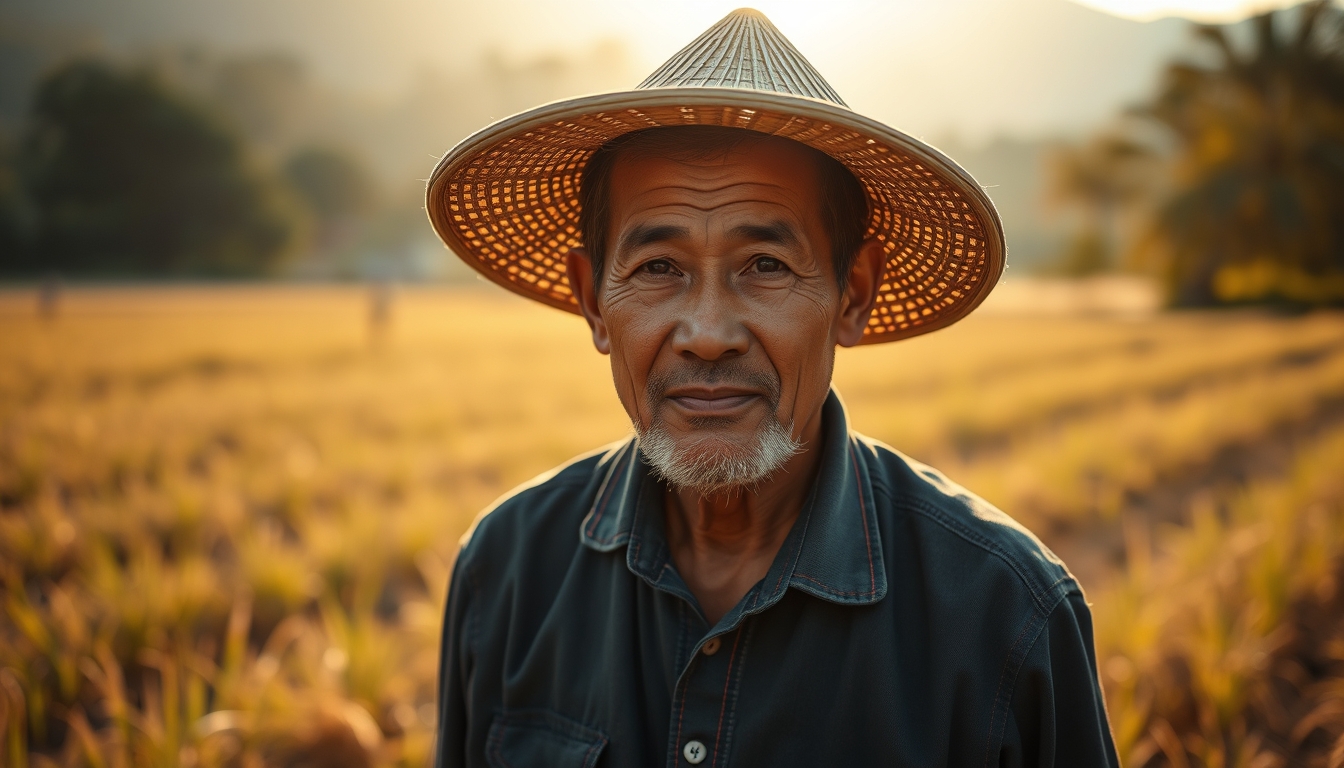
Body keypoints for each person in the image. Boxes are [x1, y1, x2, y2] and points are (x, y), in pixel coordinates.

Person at [424, 9, 1119, 766]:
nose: (709, 331)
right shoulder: (508, 570)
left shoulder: (1005, 616)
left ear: (852, 296)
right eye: (659, 268)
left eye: (766, 266)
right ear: (594, 302)